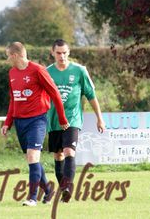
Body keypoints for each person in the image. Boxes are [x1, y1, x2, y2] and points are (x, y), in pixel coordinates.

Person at [1, 42, 69, 207]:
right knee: (32, 160)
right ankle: (48, 190)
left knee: (33, 156)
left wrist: (62, 118)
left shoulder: (38, 70)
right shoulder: (12, 73)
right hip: (19, 121)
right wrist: (7, 122)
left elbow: (55, 93)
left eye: (8, 56)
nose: (7, 59)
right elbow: (13, 99)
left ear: (15, 55)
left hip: (37, 120)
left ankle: (32, 197)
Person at [46, 39, 105, 203]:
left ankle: (67, 187)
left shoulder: (79, 71)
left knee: (69, 152)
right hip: (53, 120)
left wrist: (99, 118)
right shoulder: (47, 72)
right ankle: (64, 190)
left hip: (72, 119)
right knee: (58, 156)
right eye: (58, 53)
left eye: (64, 52)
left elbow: (91, 95)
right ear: (52, 53)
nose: (62, 56)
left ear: (69, 52)